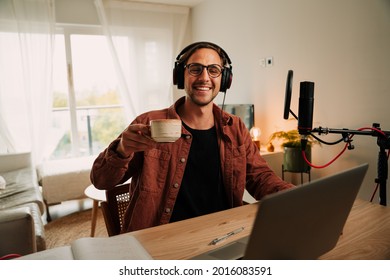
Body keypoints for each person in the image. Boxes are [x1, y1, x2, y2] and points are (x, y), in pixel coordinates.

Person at [90, 41, 294, 233]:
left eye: (213, 70)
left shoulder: (236, 127)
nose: (204, 77)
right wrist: (122, 149)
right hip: (162, 238)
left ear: (224, 79)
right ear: (180, 75)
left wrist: (296, 196)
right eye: (195, 68)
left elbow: (260, 179)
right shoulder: (148, 122)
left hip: (223, 233)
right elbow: (101, 181)